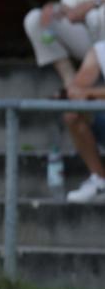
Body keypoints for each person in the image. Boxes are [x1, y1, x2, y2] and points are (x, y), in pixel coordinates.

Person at [63, 42, 105, 203]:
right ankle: (100, 180)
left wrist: (90, 93)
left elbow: (84, 92)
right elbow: (75, 90)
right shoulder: (100, 49)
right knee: (73, 114)